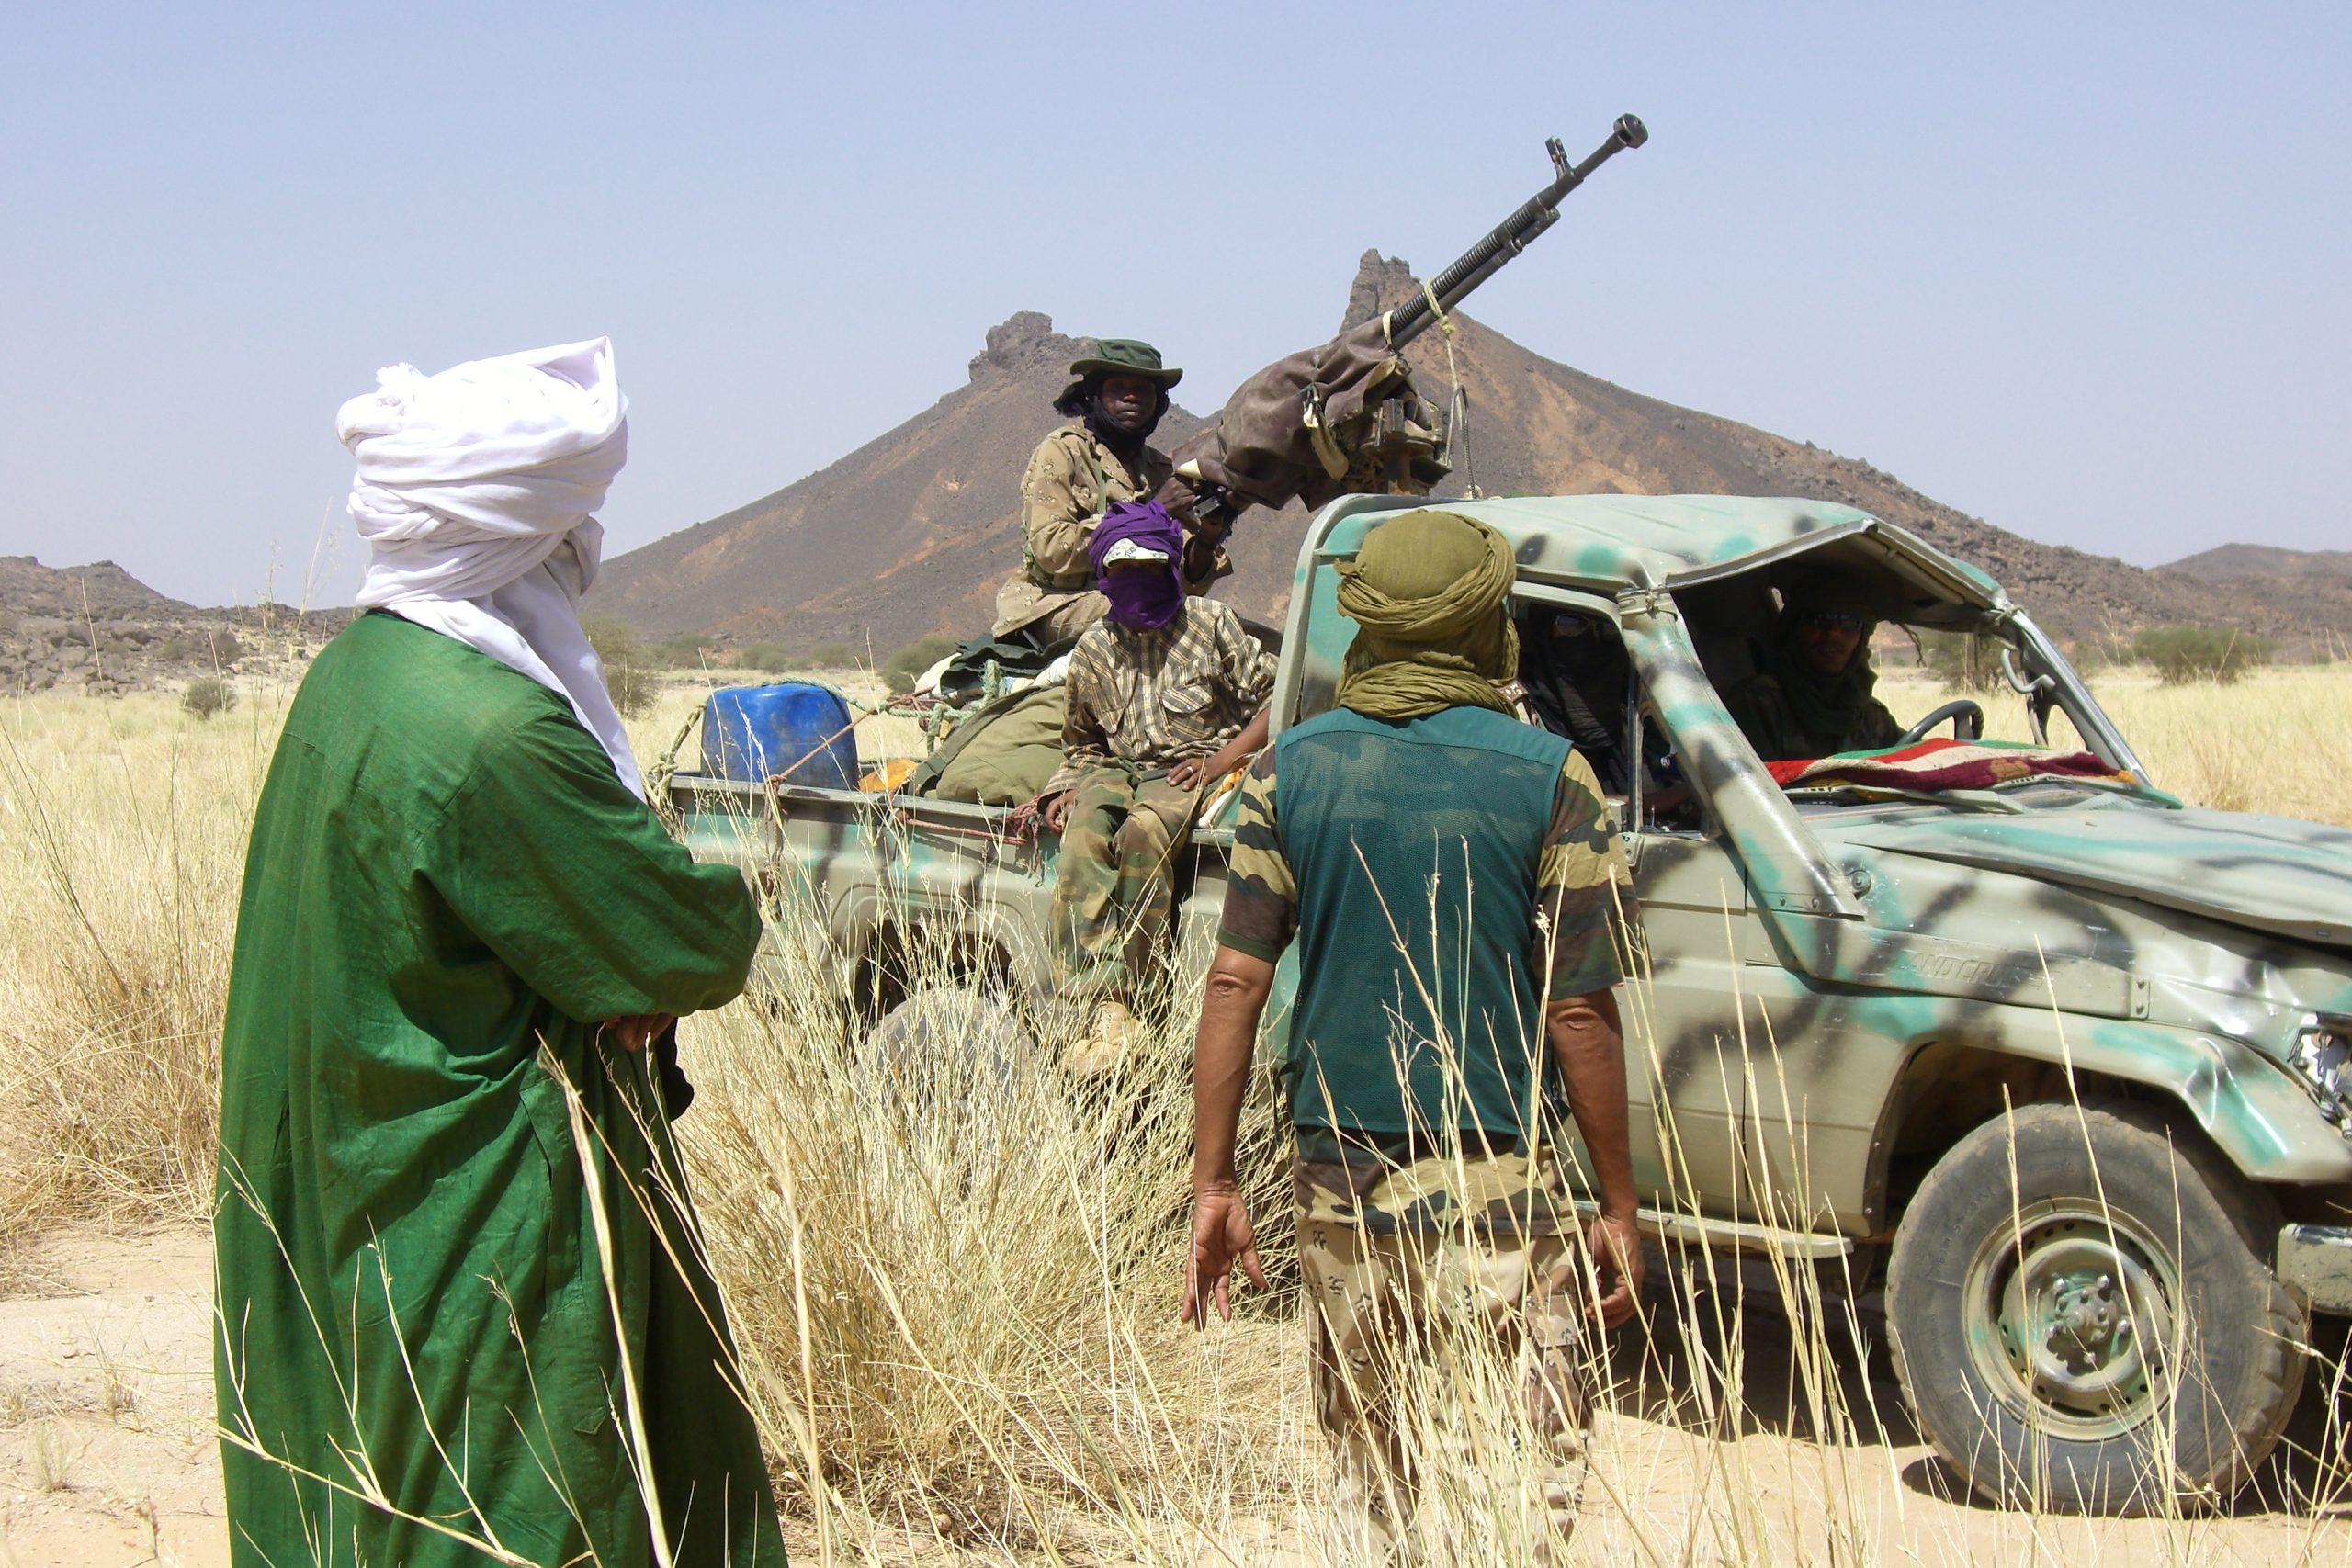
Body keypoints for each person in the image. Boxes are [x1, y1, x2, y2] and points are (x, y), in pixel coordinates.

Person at [212, 339, 786, 1568]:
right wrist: (655, 949)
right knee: (506, 1504)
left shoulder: (356, 672)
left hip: (352, 1173)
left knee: (362, 1484)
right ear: (535, 539)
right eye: (573, 530)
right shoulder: (492, 727)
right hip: (479, 1214)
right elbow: (683, 938)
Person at [1179, 509, 1645, 1556]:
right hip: (1501, 1176)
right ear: (1487, 625)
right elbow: (1577, 1008)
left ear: (1367, 622)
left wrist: (1214, 1185)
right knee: (1523, 1472)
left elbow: (1233, 984)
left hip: (1336, 1164)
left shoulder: (1286, 769)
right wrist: (1618, 1204)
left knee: (1367, 1459)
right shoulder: (1550, 776)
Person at [1032, 499, 1273, 1069]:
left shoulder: (1210, 625)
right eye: (1125, 571)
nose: (1138, 581)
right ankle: (1097, 1002)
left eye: (1149, 568)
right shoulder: (1094, 650)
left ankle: (1137, 1001)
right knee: (1087, 833)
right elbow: (1082, 742)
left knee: (1143, 832)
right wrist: (1065, 789)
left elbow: (1274, 699)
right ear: (1105, 577)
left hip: (1196, 767)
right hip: (1118, 768)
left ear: (1170, 568)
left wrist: (1221, 762)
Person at [992, 339, 1227, 646]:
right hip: (1056, 604)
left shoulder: (1158, 469)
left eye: (1144, 390)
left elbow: (1185, 580)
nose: (1131, 397)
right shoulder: (1064, 451)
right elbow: (1049, 549)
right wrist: (1152, 513)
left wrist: (1208, 538)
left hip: (1140, 598)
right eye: (1118, 387)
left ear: (1159, 402)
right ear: (1095, 395)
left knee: (1221, 621)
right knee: (1149, 609)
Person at [1722, 573, 1905, 761]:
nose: (1832, 633)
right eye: (1817, 619)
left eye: (1848, 622)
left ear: (1862, 636)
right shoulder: (1757, 703)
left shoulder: (1873, 718)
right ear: (1795, 630)